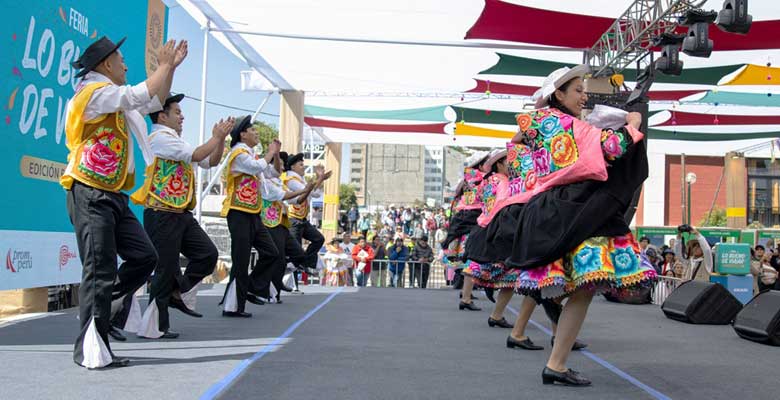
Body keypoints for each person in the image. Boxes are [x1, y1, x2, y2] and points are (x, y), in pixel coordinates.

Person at [487, 65, 655, 386]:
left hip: (552, 210)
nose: (584, 95)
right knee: (585, 286)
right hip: (575, 208)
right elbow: (613, 148)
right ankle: (555, 360)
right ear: (558, 95)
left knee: (580, 286)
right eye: (578, 90)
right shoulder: (561, 123)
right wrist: (633, 124)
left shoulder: (546, 127)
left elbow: (524, 170)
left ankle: (554, 350)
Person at [62, 36, 187, 368]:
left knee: (145, 258)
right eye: (121, 60)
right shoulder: (92, 94)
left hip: (113, 195)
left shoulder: (112, 99)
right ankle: (90, 351)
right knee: (99, 270)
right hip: (89, 192)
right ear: (105, 65)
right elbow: (138, 95)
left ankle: (104, 301)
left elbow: (151, 100)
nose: (126, 66)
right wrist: (162, 65)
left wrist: (169, 67)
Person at [132, 95, 231, 339]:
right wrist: (216, 136)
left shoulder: (176, 142)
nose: (182, 116)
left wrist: (220, 140)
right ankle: (154, 327)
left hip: (180, 213)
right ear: (162, 116)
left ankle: (178, 292)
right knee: (164, 270)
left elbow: (210, 161)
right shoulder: (159, 139)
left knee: (207, 254)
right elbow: (198, 155)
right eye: (177, 112)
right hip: (161, 213)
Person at [219, 116, 281, 318]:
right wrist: (270, 152)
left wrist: (276, 155)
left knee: (271, 252)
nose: (256, 133)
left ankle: (252, 288)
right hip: (238, 212)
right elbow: (257, 167)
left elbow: (274, 173)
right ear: (242, 134)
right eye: (252, 130)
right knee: (241, 260)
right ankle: (234, 306)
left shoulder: (252, 154)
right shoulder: (238, 153)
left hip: (253, 213)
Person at [252, 152, 325, 303]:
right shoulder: (268, 181)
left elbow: (299, 199)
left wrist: (311, 187)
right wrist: (310, 187)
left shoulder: (280, 181)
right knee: (275, 257)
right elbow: (285, 195)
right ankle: (265, 288)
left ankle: (289, 268)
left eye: (283, 165)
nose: (282, 168)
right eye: (280, 164)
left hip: (282, 222)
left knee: (295, 253)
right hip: (271, 222)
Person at [441, 151, 490, 311]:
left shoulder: (466, 180)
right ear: (480, 165)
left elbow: (456, 197)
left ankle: (466, 292)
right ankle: (466, 297)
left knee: (465, 258)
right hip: (474, 220)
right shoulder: (484, 180)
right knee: (472, 259)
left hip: (461, 220)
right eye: (486, 162)